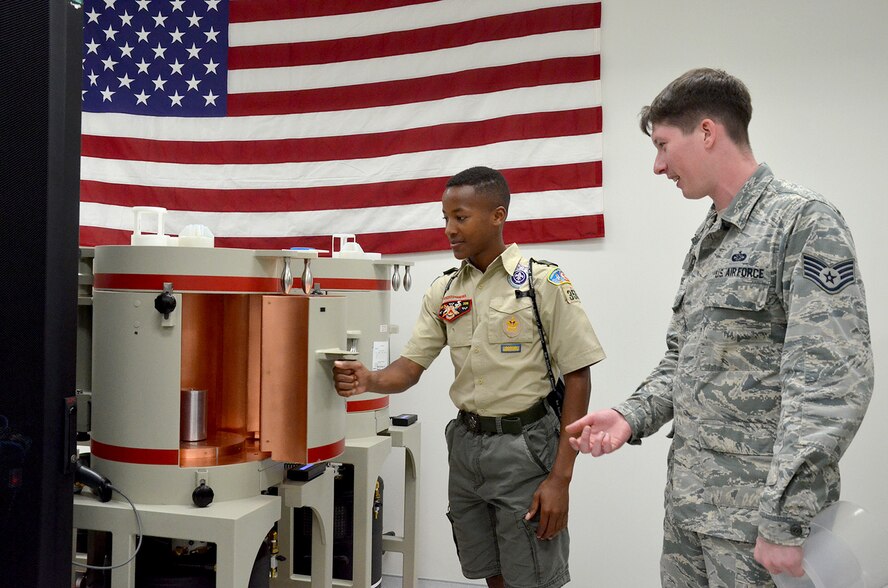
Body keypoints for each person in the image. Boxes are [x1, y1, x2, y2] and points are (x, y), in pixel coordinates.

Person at [566, 68, 873, 587]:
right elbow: (684, 359)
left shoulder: (803, 222)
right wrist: (629, 416)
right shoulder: (710, 235)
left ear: (706, 132)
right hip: (690, 511)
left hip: (759, 526)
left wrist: (786, 517)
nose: (658, 166)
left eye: (663, 145)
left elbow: (830, 382)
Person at [333, 166, 605, 588]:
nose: (449, 230)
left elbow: (579, 377)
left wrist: (561, 478)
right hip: (467, 445)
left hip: (527, 447)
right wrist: (369, 379)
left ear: (498, 216)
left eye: (460, 217)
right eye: (445, 218)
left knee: (532, 575)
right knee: (489, 571)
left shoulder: (540, 282)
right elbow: (409, 368)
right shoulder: (444, 291)